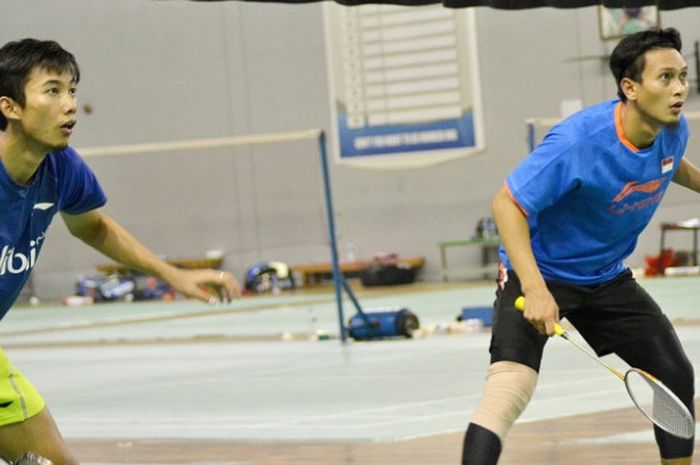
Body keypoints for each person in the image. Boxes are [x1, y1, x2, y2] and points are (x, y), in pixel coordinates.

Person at [0, 38, 242, 464]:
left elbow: (92, 226)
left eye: (72, 90)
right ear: (10, 107)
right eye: (53, 90)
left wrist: (174, 275)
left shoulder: (60, 169)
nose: (70, 104)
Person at [462, 27, 697, 465]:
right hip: (540, 269)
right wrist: (534, 289)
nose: (680, 88)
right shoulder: (578, 143)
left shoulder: (672, 127)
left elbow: (668, 165)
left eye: (683, 76)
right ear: (630, 87)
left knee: (674, 374)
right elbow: (507, 204)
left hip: (606, 275)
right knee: (509, 386)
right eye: (666, 78)